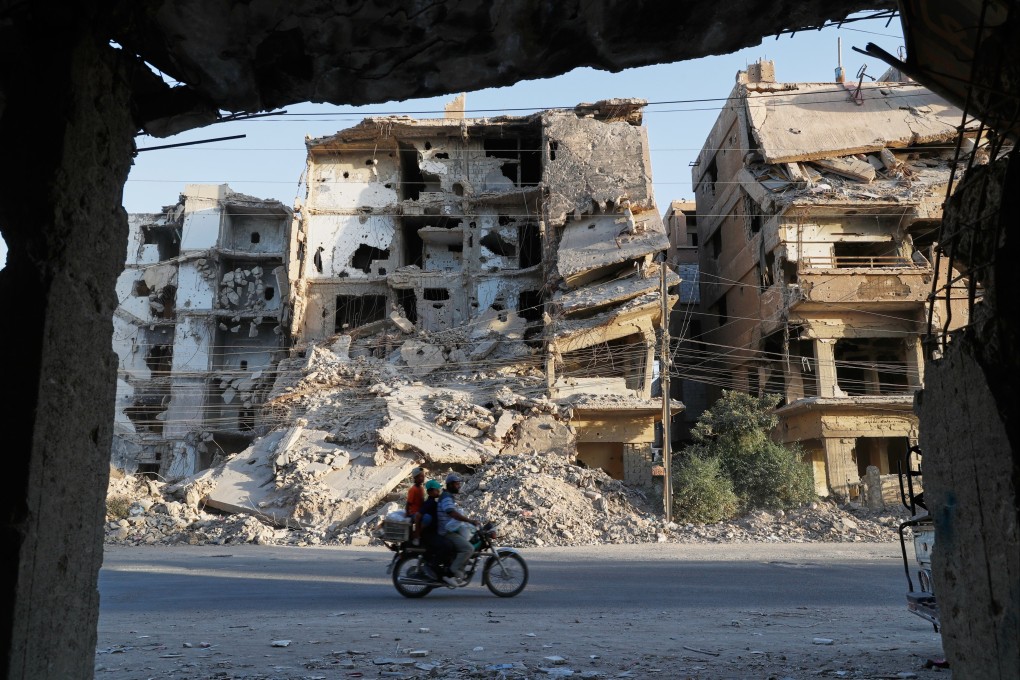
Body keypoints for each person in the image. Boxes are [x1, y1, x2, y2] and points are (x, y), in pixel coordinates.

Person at [437, 472, 481, 585]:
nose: (459, 486)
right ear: (450, 485)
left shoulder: (447, 496)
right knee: (469, 549)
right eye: (456, 484)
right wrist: (469, 521)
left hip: (449, 529)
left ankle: (460, 568)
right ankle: (450, 573)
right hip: (446, 532)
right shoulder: (446, 497)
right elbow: (452, 513)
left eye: (458, 484)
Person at [411, 479, 453, 579]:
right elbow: (418, 516)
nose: (439, 491)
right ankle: (432, 566)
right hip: (429, 535)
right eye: (437, 489)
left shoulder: (434, 502)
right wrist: (417, 534)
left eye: (439, 489)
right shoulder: (430, 503)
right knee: (447, 546)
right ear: (430, 491)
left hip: (433, 532)